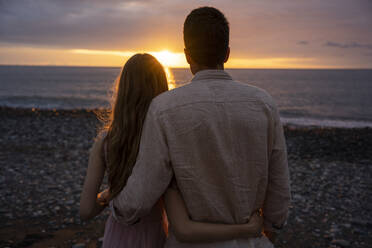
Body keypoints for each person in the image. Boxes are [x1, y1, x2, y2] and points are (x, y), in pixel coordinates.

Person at [110, 7, 291, 248]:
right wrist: (268, 226)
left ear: (187, 55)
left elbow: (141, 193)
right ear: (227, 53)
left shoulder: (164, 108)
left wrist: (114, 204)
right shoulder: (263, 103)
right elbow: (279, 190)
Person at [80, 53, 265, 247]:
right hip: (153, 237)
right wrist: (246, 229)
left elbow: (85, 210)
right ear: (161, 90)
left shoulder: (106, 141)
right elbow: (183, 226)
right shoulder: (162, 143)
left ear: (123, 89)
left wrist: (107, 194)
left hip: (116, 237)